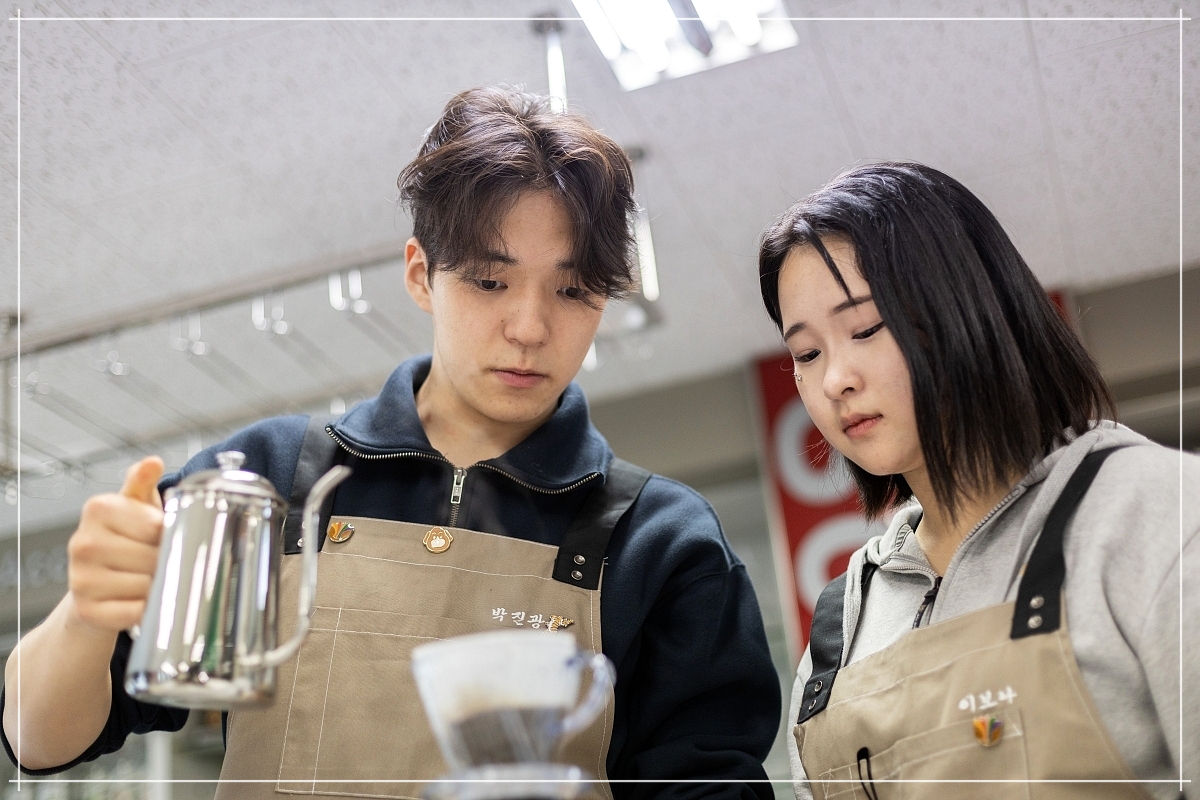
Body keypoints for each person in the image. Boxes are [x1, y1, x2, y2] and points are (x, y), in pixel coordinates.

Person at [1, 86, 781, 799]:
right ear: (419, 275)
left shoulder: (661, 542)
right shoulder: (268, 481)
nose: (529, 327)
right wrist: (87, 615)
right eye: (489, 281)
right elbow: (35, 741)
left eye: (573, 290)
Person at [756, 161, 1198, 800]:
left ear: (964, 306)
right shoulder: (842, 621)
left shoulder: (1156, 515)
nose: (834, 380)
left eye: (866, 328)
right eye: (807, 353)